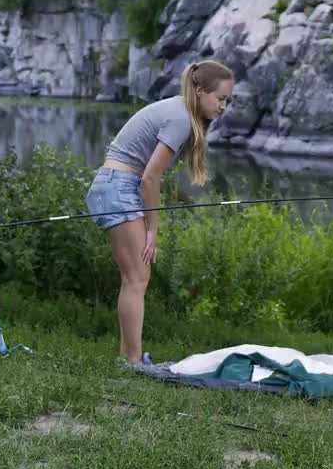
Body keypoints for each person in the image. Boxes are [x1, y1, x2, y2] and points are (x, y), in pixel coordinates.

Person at [86, 61, 234, 365]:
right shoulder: (181, 118)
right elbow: (150, 178)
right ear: (199, 90)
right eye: (220, 98)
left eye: (228, 101)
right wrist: (152, 229)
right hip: (118, 188)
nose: (223, 106)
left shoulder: (179, 110)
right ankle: (133, 362)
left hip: (115, 186)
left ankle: (130, 359)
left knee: (135, 278)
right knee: (137, 278)